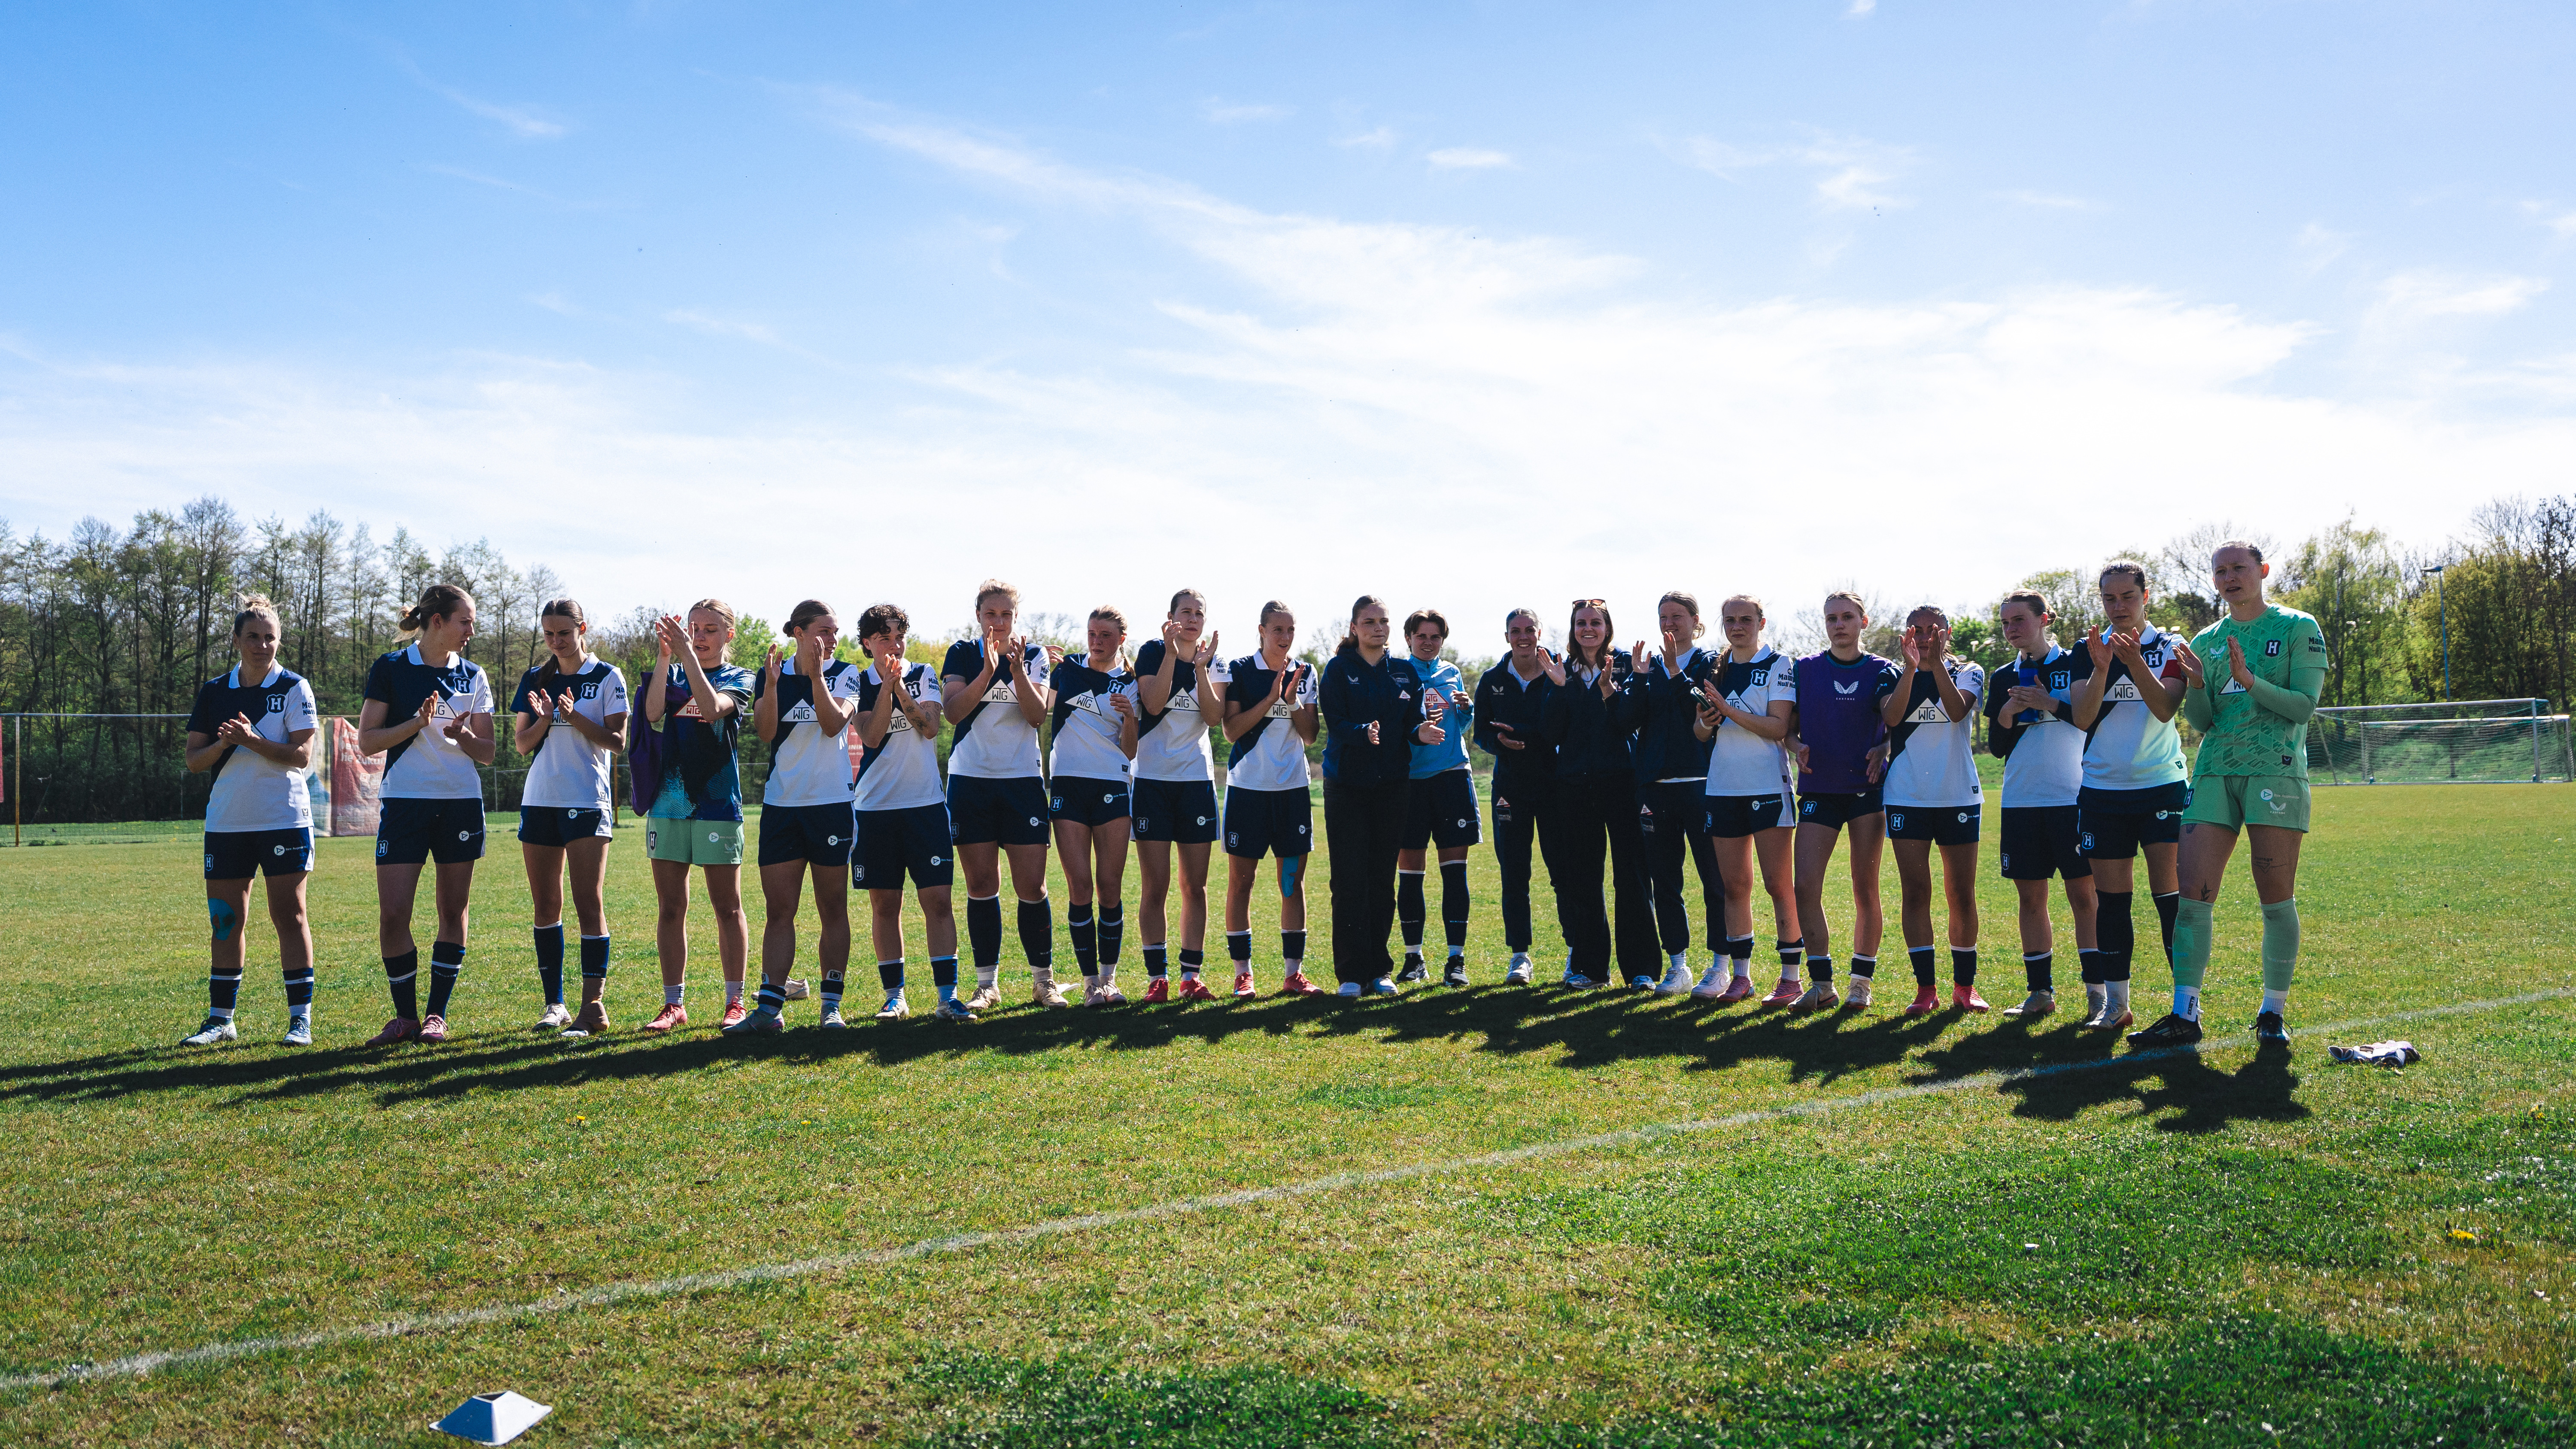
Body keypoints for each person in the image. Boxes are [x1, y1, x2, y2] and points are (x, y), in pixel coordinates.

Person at [2134, 541, 2327, 1049]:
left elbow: (2303, 707)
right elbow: (2202, 721)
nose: (2230, 577)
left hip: (2275, 774)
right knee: (2192, 897)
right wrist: (2198, 685)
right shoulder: (2207, 639)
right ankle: (2185, 1013)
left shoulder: (2298, 627)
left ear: (2263, 571)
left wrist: (2249, 680)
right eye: (2220, 571)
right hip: (2215, 773)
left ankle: (2272, 1011)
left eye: (2239, 568)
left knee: (2275, 898)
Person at [356, 583, 495, 1046]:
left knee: (453, 910)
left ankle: (437, 1014)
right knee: (394, 913)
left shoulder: (473, 675)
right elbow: (368, 741)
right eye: (465, 621)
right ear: (437, 621)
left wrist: (463, 737)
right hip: (405, 801)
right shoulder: (391, 668)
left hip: (460, 803)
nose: (471, 631)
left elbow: (488, 752)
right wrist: (416, 724)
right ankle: (405, 1018)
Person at [179, 593, 321, 1047]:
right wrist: (224, 744)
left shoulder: (294, 687)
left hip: (283, 819)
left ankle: (300, 1020)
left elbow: (302, 756)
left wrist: (251, 739)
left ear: (279, 641)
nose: (263, 645)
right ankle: (221, 1020)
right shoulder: (215, 692)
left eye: (270, 637)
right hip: (228, 823)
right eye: (254, 637)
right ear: (237, 640)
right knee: (225, 921)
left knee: (290, 915)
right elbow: (194, 761)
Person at [2068, 561, 2190, 1034]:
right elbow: (2082, 717)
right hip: (2103, 792)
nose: (2118, 607)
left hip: (2161, 786)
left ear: (2146, 596)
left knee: (2170, 900)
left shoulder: (2172, 646)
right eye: (2109, 598)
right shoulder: (2086, 650)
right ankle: (2116, 1005)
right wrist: (2102, 667)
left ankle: (2186, 1008)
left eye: (2128, 597)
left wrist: (2134, 660)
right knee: (2112, 902)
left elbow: (2165, 708)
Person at [731, 600, 863, 1034]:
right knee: (780, 910)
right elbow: (766, 732)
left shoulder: (845, 673)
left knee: (833, 906)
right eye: (824, 631)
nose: (833, 639)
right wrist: (771, 685)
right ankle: (770, 1010)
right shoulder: (771, 673)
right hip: (782, 807)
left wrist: (817, 676)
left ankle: (831, 1006)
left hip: (831, 807)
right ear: (799, 633)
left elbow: (832, 724)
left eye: (836, 631)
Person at [509, 598, 629, 1035]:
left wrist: (574, 716)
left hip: (587, 800)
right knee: (546, 905)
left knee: (588, 902)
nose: (556, 641)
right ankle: (555, 1005)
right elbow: (522, 745)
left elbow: (618, 741)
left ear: (583, 629)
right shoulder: (535, 678)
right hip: (540, 800)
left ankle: (592, 1006)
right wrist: (545, 720)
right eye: (549, 634)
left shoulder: (607, 676)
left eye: (564, 633)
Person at [942, 581, 1063, 1009]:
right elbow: (953, 712)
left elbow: (1036, 716)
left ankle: (1044, 982)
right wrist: (987, 670)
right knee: (981, 884)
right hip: (971, 779)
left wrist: (1015, 670)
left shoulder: (1034, 656)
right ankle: (986, 985)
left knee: (1032, 885)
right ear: (978, 616)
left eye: (1006, 614)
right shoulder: (962, 653)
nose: (998, 622)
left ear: (1015, 617)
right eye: (991, 614)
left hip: (1021, 781)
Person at [1981, 590, 2099, 1021]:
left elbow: (2088, 719)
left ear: (2044, 619)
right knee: (2030, 899)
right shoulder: (2003, 676)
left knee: (2084, 897)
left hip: (2073, 797)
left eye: (2019, 620)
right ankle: (2040, 992)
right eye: (2005, 622)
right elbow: (1997, 747)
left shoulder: (2076, 662)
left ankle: (2098, 993)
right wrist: (2008, 712)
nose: (2011, 629)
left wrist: (2048, 702)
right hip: (2021, 801)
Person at [1320, 596, 1444, 997]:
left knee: (1381, 880)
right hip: (1347, 787)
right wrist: (1363, 733)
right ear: (1354, 627)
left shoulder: (1405, 673)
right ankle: (1351, 974)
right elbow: (1335, 721)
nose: (1378, 628)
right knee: (1349, 881)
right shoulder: (1339, 669)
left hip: (1392, 787)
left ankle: (1379, 970)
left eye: (1384, 621)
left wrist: (1421, 732)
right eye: (1370, 621)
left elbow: (1412, 723)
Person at [851, 604, 969, 1022]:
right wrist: (886, 687)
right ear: (867, 643)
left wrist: (900, 687)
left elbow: (931, 727)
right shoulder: (857, 681)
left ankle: (947, 997)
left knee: (938, 901)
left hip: (926, 806)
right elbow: (872, 735)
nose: (895, 645)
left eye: (899, 636)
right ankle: (894, 997)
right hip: (875, 808)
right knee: (885, 905)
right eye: (884, 638)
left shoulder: (923, 674)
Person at [1785, 591, 1899, 1013]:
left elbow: (1896, 723)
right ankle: (1821, 984)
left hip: (1866, 791)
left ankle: (1861, 983)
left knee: (1865, 888)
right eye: (1831, 618)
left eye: (1847, 617)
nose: (1839, 625)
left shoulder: (1883, 670)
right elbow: (1788, 728)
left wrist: (1884, 747)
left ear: (1863, 622)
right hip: (1819, 790)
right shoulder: (1806, 669)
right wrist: (1796, 746)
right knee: (1804, 886)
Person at [1540, 600, 1659, 988]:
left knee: (1632, 877)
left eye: (1595, 622)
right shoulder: (1561, 668)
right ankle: (1591, 969)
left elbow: (1629, 722)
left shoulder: (1626, 664)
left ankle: (1641, 969)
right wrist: (1559, 688)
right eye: (1581, 623)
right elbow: (1550, 734)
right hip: (1575, 787)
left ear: (1607, 627)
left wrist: (1614, 688)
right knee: (1583, 879)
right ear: (1573, 628)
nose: (1588, 629)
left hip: (1622, 783)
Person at [1879, 605, 1988, 1015]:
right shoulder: (1892, 673)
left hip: (1958, 795)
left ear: (1947, 633)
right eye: (1917, 630)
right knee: (1915, 891)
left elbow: (1958, 711)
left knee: (1961, 893)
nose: (1925, 637)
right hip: (1907, 796)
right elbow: (1892, 717)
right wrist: (1911, 670)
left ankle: (1965, 986)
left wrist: (1937, 663)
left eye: (1933, 630)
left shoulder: (1968, 670)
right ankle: (1926, 989)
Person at [1690, 595, 1800, 1004]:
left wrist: (1727, 710)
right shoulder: (1715, 667)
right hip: (1723, 787)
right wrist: (1706, 721)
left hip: (1768, 787)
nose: (1737, 627)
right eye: (1730, 620)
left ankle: (1791, 978)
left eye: (1745, 619)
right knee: (1734, 885)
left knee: (1778, 884)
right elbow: (1700, 733)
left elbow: (1778, 727)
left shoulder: (1779, 664)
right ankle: (1741, 977)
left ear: (1761, 622)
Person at [1220, 601, 1326, 997]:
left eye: (1290, 630)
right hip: (1247, 789)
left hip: (1292, 791)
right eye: (1278, 629)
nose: (1285, 637)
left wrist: (1293, 700)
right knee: (1241, 883)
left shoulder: (1306, 672)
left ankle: (1293, 974)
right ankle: (1242, 974)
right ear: (1262, 631)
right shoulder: (1240, 669)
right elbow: (1231, 730)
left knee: (1291, 884)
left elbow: (1310, 735)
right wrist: (1271, 698)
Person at [1127, 590, 1227, 1002]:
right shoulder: (1153, 652)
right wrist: (1172, 654)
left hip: (1196, 784)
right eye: (1185, 611)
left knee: (1195, 886)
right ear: (1170, 617)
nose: (1193, 618)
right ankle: (1158, 977)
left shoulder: (1215, 660)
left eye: (1199, 613)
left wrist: (1200, 668)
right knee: (1156, 885)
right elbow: (1152, 704)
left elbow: (1214, 718)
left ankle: (1191, 977)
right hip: (1152, 781)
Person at [1632, 592, 1725, 994]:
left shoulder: (1712, 663)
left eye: (1678, 616)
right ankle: (1678, 966)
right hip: (1655, 789)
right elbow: (1630, 720)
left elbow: (1701, 715)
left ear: (1695, 621)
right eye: (1663, 616)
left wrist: (1674, 672)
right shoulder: (1648, 665)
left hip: (1702, 785)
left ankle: (1721, 965)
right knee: (1666, 882)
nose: (1670, 623)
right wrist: (1637, 680)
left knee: (1715, 881)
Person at [1048, 606, 1140, 1007]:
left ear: (1122, 639)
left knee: (1110, 888)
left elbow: (1130, 750)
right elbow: (1039, 705)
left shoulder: (1130, 683)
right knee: (1080, 887)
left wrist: (1131, 718)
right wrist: (1036, 665)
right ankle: (1090, 983)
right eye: (1091, 633)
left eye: (1105, 635)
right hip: (1068, 785)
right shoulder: (1067, 669)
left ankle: (1109, 979)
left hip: (1112, 786)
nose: (1097, 641)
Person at [1474, 608, 1561, 985]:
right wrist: (1499, 742)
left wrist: (1528, 734)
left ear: (1540, 633)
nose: (1523, 637)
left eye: (1529, 630)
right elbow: (1480, 732)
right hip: (1509, 789)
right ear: (1507, 636)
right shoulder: (1492, 679)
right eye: (1516, 631)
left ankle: (1575, 951)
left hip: (1554, 786)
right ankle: (1520, 956)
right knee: (1514, 874)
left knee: (1563, 872)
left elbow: (1564, 725)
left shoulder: (1558, 673)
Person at [1394, 608, 1478, 988]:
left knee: (1455, 873)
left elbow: (1461, 725)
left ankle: (1455, 960)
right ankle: (1414, 959)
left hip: (1451, 777)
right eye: (1421, 636)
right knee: (1411, 875)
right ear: (1408, 638)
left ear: (1443, 640)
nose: (1428, 643)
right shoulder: (1398, 673)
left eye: (1435, 637)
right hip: (1410, 780)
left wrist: (1466, 710)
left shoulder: (1452, 673)